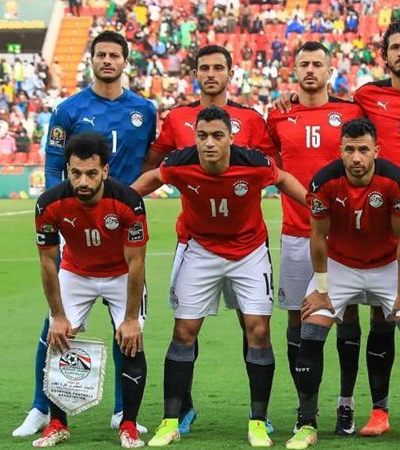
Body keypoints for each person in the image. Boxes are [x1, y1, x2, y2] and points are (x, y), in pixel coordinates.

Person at [275, 21, 400, 436]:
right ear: (385, 54)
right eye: (395, 47)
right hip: (377, 227)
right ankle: (379, 410)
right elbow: (338, 125)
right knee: (381, 317)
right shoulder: (365, 97)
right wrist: (294, 99)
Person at [131, 106, 307, 448]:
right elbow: (153, 177)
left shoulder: (253, 163)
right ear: (195, 137)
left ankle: (258, 422)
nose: (209, 143)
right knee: (184, 331)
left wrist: (314, 204)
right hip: (201, 251)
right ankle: (170, 422)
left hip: (249, 252)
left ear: (230, 138)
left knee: (258, 330)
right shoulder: (180, 162)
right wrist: (121, 200)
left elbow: (284, 179)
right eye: (202, 136)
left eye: (217, 136)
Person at [14, 30, 157, 438]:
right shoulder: (68, 109)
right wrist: (60, 215)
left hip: (122, 220)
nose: (107, 60)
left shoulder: (144, 110)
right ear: (91, 60)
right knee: (55, 321)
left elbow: (150, 160)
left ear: (125, 61)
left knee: (127, 324)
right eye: (101, 54)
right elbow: (53, 164)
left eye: (114, 55)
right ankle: (42, 408)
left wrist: (130, 198)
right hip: (75, 223)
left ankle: (122, 411)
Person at [139, 45, 277, 436]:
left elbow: (274, 168)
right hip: (193, 239)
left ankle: (258, 415)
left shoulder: (251, 119)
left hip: (246, 242)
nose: (211, 73)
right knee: (187, 325)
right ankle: (182, 408)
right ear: (196, 73)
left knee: (253, 325)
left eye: (219, 67)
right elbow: (156, 165)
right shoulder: (177, 117)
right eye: (204, 67)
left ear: (231, 73)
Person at [284, 118, 400, 450]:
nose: (356, 158)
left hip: (387, 266)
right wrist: (322, 289)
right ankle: (307, 423)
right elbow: (318, 236)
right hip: (340, 266)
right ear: (340, 150)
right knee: (310, 332)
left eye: (364, 150)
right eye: (350, 150)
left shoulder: (397, 183)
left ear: (376, 151)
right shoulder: (323, 182)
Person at [266, 41, 365, 435]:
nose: (310, 70)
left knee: (347, 315)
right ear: (294, 70)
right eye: (303, 63)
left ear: (330, 70)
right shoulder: (279, 115)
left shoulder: (350, 113)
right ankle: (305, 406)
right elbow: (273, 168)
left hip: (343, 235)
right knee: (298, 318)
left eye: (317, 64)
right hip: (296, 233)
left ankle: (346, 403)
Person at [31, 133, 149, 448]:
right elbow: (48, 261)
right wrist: (57, 315)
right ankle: (57, 423)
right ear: (67, 170)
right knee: (58, 336)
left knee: (131, 341)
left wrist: (130, 319)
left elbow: (137, 263)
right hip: (76, 272)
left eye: (91, 173)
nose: (83, 181)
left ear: (105, 171)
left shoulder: (129, 202)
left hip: (120, 274)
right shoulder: (48, 203)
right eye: (76, 173)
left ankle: (128, 424)